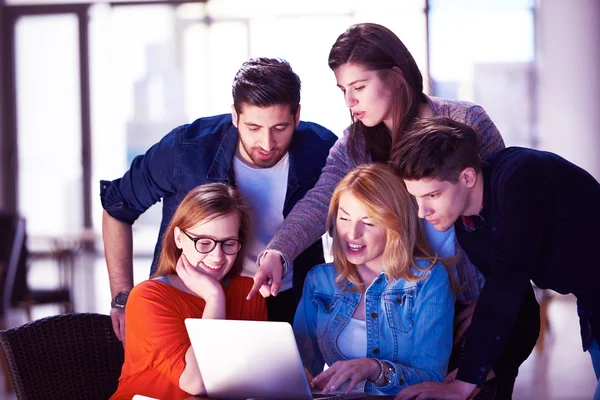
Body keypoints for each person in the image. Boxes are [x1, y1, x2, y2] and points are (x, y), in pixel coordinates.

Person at [249, 22, 511, 395]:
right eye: (343, 90)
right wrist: (279, 251)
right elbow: (322, 199)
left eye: (359, 88)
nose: (350, 102)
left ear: (396, 77)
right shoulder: (355, 143)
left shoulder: (465, 122)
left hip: (468, 305)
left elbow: (503, 215)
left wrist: (491, 299)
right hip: (401, 306)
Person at [101, 57, 337, 339]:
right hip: (195, 297)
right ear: (235, 116)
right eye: (253, 128)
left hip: (288, 301)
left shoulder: (324, 150)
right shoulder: (185, 149)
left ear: (297, 116)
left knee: (291, 383)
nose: (266, 143)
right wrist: (122, 296)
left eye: (280, 128)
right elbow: (117, 208)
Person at [391, 117, 600, 400]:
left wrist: (463, 383)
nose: (421, 211)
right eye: (416, 198)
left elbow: (507, 285)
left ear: (467, 177)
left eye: (432, 195)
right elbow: (521, 305)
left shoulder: (521, 177)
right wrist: (480, 372)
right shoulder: (469, 226)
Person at [294, 163, 454, 397]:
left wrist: (375, 369)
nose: (352, 233)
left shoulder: (429, 280)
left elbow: (432, 379)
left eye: (368, 222)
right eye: (344, 218)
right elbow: (302, 368)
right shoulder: (319, 281)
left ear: (395, 225)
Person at [110, 183, 268, 400]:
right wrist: (214, 298)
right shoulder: (147, 297)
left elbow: (259, 376)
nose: (217, 257)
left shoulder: (248, 292)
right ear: (178, 238)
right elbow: (198, 382)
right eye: (204, 243)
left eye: (228, 244)